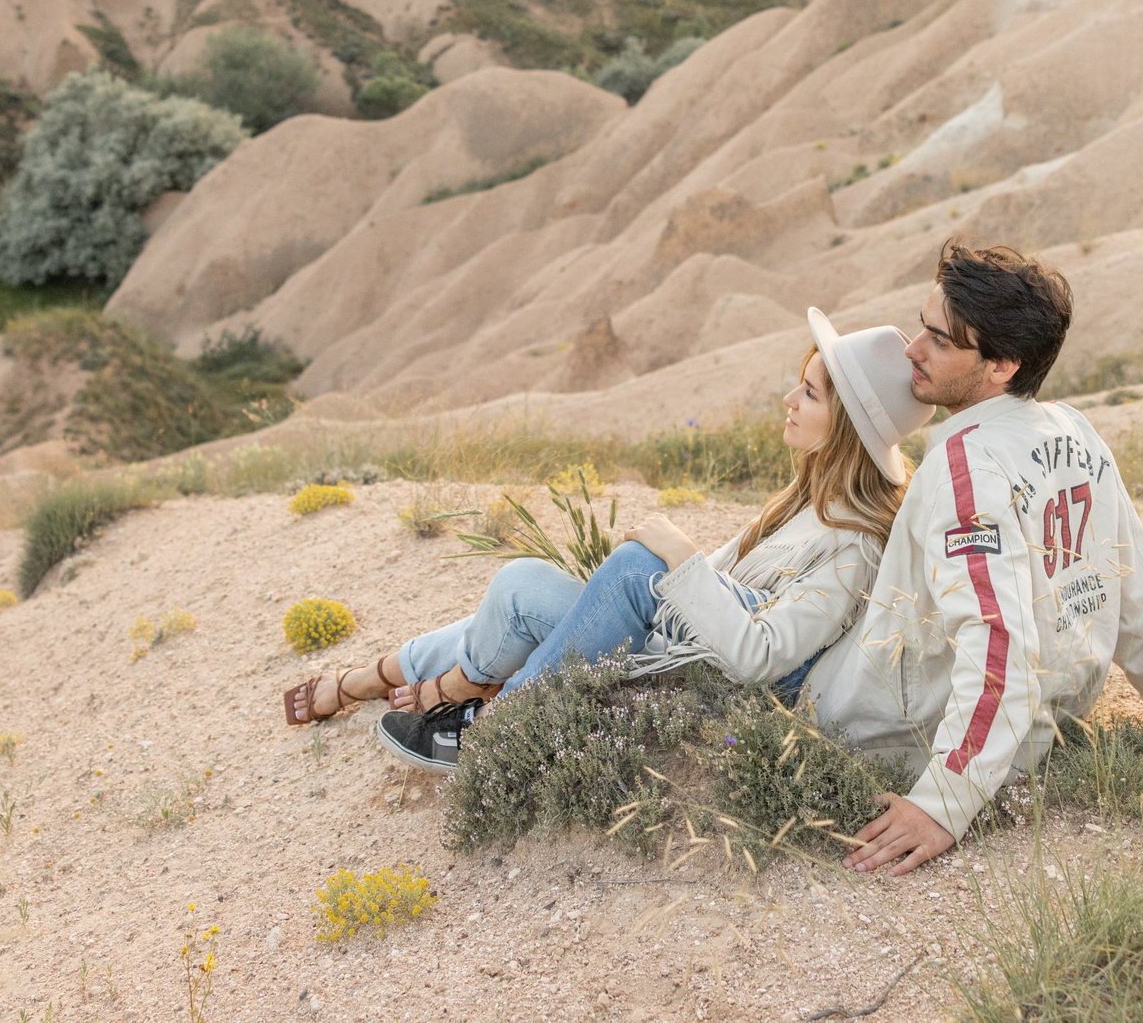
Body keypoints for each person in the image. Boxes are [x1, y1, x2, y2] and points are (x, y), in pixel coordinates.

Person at [282, 310, 930, 774]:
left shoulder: (853, 546)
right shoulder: (803, 499)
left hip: (707, 686)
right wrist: (660, 579)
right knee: (521, 584)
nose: (789, 398)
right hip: (680, 646)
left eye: (809, 393)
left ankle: (492, 732)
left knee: (632, 568)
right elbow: (711, 587)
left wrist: (676, 559)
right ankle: (382, 679)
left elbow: (762, 658)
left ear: (845, 426)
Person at [804, 241, 1143, 878]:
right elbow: (1132, 588)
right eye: (922, 326)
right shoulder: (1076, 430)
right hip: (1053, 718)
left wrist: (943, 803)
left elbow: (999, 640)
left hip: (886, 729)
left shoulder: (965, 462)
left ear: (1001, 365)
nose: (912, 349)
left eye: (940, 339)